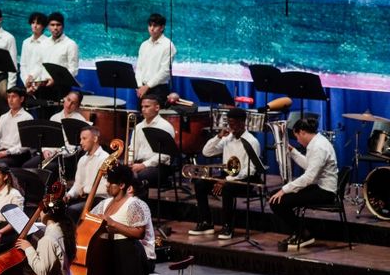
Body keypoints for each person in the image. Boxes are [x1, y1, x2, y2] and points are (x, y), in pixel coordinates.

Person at [190, 107, 262, 239]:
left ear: (242, 123)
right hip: (227, 176)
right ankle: (206, 222)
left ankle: (227, 226)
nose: (230, 126)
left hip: (245, 179)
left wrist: (227, 180)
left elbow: (250, 169)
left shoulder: (252, 141)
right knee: (200, 183)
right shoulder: (227, 138)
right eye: (229, 123)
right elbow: (207, 152)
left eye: (233, 123)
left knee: (227, 189)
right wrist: (218, 137)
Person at [269, 118, 338, 250]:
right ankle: (300, 232)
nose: (298, 141)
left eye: (297, 137)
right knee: (274, 196)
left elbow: (309, 177)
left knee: (276, 201)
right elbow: (309, 165)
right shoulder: (317, 142)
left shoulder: (319, 147)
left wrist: (284, 189)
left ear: (302, 132)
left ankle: (303, 234)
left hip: (325, 192)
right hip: (319, 187)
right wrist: (293, 151)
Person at [129, 94, 175, 196]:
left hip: (159, 167)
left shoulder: (165, 126)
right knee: (119, 171)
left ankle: (141, 209)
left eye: (147, 106)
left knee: (137, 177)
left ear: (157, 108)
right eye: (142, 107)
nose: (143, 109)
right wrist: (129, 162)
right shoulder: (139, 126)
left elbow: (165, 155)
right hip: (139, 163)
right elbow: (132, 148)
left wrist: (143, 165)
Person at [65, 126, 111, 218]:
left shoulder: (105, 158)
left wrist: (86, 189)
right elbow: (78, 185)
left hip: (99, 200)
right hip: (85, 198)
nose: (81, 142)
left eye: (84, 138)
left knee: (72, 211)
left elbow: (106, 187)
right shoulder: (82, 159)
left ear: (95, 139)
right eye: (80, 139)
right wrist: (69, 195)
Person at [0, 86, 34, 164]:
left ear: (21, 99)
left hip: (17, 154)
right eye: (8, 97)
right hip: (1, 151)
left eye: (13, 97)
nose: (10, 100)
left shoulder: (27, 118)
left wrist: (7, 152)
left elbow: (26, 146)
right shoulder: (3, 117)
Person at [136, 13, 177, 103]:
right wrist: (140, 86)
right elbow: (139, 68)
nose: (151, 28)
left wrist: (147, 86)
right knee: (140, 116)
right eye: (150, 25)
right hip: (142, 89)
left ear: (162, 28)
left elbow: (165, 71)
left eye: (155, 26)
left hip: (158, 90)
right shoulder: (144, 45)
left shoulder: (168, 45)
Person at [0, 163, 24, 247]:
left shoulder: (14, 194)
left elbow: (17, 221)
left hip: (7, 231)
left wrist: (0, 232)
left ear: (5, 177)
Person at [42, 13, 80, 86]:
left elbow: (73, 70)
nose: (55, 28)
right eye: (52, 25)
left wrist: (56, 79)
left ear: (63, 26)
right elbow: (40, 65)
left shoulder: (71, 44)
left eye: (58, 25)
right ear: (48, 27)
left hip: (62, 86)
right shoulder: (44, 43)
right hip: (44, 84)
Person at [20, 12, 49, 92]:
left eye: (38, 23)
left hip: (41, 84)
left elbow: (43, 65)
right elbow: (23, 64)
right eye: (33, 23)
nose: (35, 26)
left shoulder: (47, 43)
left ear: (43, 26)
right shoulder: (26, 42)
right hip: (26, 84)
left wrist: (32, 77)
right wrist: (26, 80)